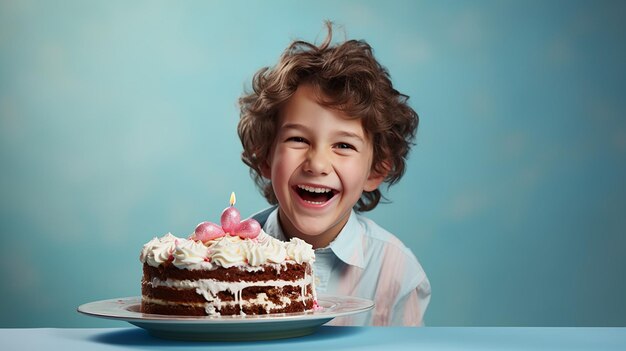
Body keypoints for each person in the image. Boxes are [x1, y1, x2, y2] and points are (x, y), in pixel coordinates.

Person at [237, 22, 431, 326]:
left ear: (376, 170)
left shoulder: (396, 271)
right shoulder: (227, 258)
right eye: (298, 140)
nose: (317, 164)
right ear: (265, 155)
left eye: (343, 145)